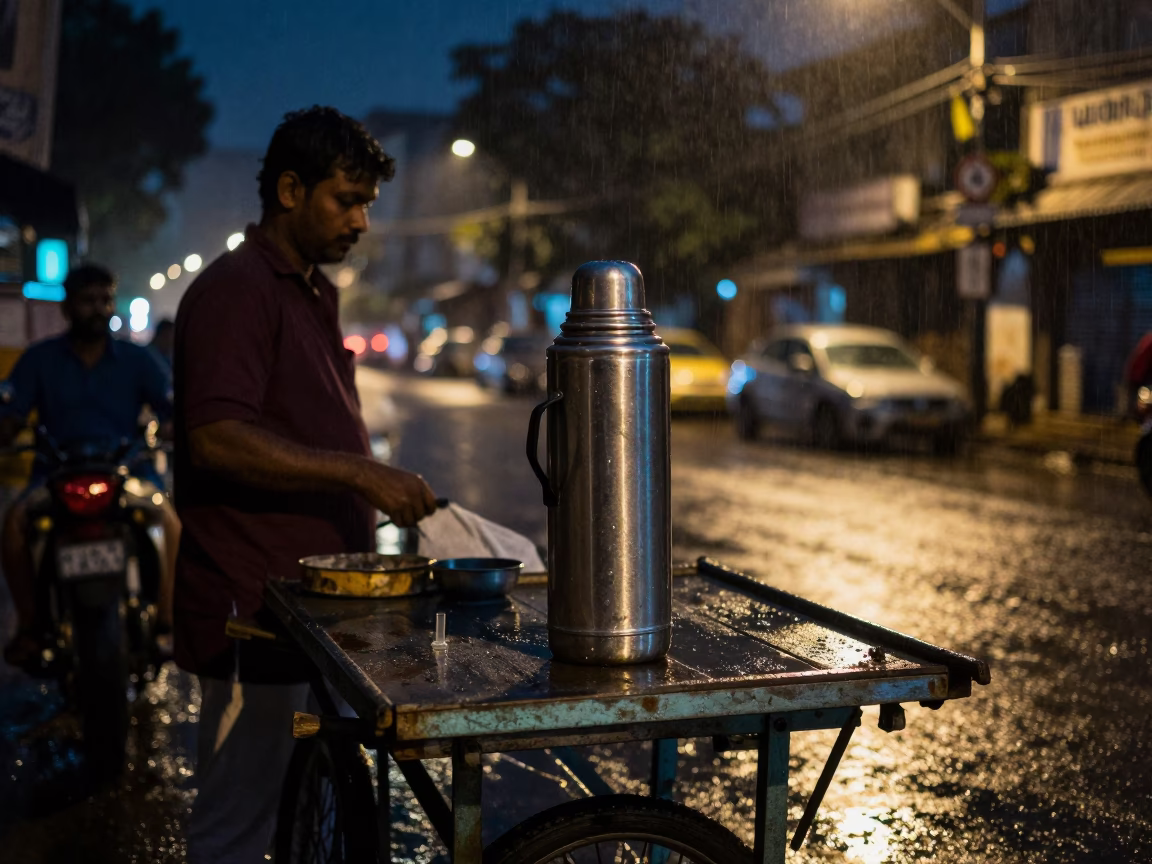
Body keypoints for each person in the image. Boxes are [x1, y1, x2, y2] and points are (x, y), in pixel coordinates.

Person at [174, 106, 439, 863]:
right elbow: (217, 438)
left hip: (302, 612)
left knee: (283, 805)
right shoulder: (239, 289)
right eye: (344, 200)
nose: (359, 221)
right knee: (234, 822)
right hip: (247, 611)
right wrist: (360, 471)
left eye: (366, 205)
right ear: (290, 189)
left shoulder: (310, 290)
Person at [0, 264, 180, 667]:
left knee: (169, 522)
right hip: (55, 475)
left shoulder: (138, 360)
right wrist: (8, 430)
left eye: (105, 300)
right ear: (67, 307)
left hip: (127, 473)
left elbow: (170, 408)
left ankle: (166, 624)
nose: (98, 309)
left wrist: (171, 426)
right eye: (87, 300)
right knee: (13, 526)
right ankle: (30, 628)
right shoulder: (39, 359)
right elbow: (10, 415)